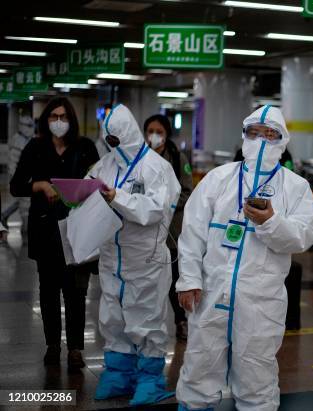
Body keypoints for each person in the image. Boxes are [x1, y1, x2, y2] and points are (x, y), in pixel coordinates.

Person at [175, 105, 313, 411]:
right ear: (244, 136)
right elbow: (191, 234)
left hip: (260, 302)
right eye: (254, 133)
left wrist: (271, 221)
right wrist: (188, 279)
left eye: (270, 135)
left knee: (256, 378)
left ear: (282, 141)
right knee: (199, 370)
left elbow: (304, 236)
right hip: (210, 294)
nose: (261, 141)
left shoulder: (295, 187)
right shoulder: (218, 179)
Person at [88, 104, 181, 405]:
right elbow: (90, 190)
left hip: (145, 259)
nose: (112, 145)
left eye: (116, 139)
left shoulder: (156, 168)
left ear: (127, 134)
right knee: (113, 317)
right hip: (112, 256)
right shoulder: (106, 165)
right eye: (108, 140)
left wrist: (119, 197)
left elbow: (155, 209)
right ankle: (118, 374)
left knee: (146, 319)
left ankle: (150, 380)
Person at [9, 97, 99, 370]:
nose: (58, 122)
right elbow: (16, 186)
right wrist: (39, 185)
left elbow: (98, 181)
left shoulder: (84, 148)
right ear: (46, 120)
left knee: (75, 293)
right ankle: (52, 345)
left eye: (63, 117)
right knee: (48, 292)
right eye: (53, 117)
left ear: (71, 120)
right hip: (46, 229)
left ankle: (74, 348)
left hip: (77, 231)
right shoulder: (35, 147)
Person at [144, 114, 193, 341]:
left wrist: (167, 205)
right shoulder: (138, 158)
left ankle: (180, 321)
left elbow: (187, 191)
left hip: (171, 230)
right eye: (150, 131)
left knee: (174, 277)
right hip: (143, 230)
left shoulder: (176, 157)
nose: (154, 135)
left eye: (159, 131)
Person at [8, 114, 36, 234]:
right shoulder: (17, 140)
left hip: (31, 180)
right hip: (22, 180)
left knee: (24, 204)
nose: (30, 128)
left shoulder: (31, 139)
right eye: (28, 126)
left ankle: (4, 216)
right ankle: (26, 234)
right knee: (24, 207)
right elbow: (13, 163)